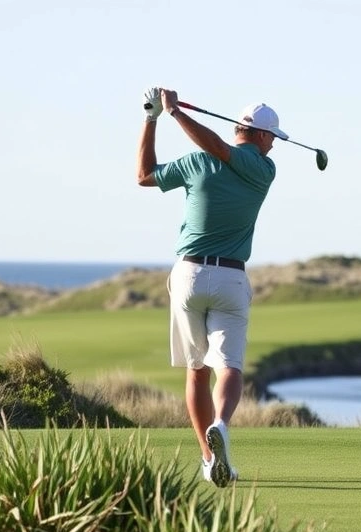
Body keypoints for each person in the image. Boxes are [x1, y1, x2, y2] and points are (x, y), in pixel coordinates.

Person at [136, 87, 286, 487]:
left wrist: (157, 117)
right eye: (272, 137)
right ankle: (220, 423)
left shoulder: (201, 160)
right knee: (230, 367)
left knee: (196, 371)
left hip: (187, 276)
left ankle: (208, 458)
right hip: (231, 277)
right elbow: (211, 151)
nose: (274, 145)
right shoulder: (263, 170)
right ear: (257, 135)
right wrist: (166, 115)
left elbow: (144, 175)